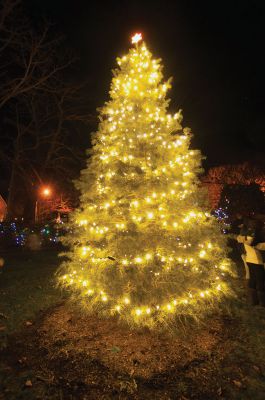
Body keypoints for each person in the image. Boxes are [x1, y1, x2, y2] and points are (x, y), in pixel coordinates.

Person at [238, 219, 265, 306]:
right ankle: (262, 302)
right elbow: (257, 245)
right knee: (260, 280)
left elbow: (244, 241)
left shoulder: (246, 235)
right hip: (257, 261)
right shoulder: (257, 235)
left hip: (250, 260)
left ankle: (254, 301)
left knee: (253, 279)